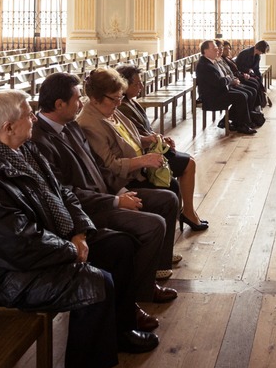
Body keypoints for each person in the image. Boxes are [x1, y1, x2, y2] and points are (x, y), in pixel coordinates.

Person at [0, 90, 154, 368]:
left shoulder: (23, 150)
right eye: (28, 114)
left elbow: (62, 193)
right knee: (94, 283)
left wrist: (79, 232)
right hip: (4, 275)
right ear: (8, 127)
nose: (34, 118)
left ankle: (120, 330)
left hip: (45, 246)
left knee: (119, 247)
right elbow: (17, 244)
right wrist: (71, 249)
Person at [30, 71, 179, 320]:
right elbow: (64, 192)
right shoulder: (41, 140)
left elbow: (97, 167)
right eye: (78, 99)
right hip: (85, 212)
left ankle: (143, 286)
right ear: (59, 104)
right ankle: (130, 300)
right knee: (152, 225)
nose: (81, 104)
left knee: (167, 199)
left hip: (102, 195)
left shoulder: (71, 127)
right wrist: (116, 201)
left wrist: (119, 191)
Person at [78, 68, 209, 239]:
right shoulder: (90, 123)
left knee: (173, 182)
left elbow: (128, 137)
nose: (119, 103)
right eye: (115, 98)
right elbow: (110, 165)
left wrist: (150, 140)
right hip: (124, 181)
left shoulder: (109, 107)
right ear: (95, 99)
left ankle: (166, 244)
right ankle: (162, 249)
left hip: (138, 170)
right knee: (169, 192)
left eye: (120, 97)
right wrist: (144, 160)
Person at [114, 62, 207, 228]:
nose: (141, 86)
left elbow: (144, 130)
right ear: (124, 85)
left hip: (152, 146)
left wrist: (161, 138)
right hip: (145, 154)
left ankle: (188, 212)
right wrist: (157, 140)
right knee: (188, 163)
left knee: (188, 161)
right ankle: (188, 213)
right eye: (137, 83)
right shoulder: (122, 106)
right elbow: (134, 136)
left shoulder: (130, 101)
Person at [195, 39, 259, 134]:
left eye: (217, 48)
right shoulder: (205, 65)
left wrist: (228, 79)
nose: (217, 50)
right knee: (241, 96)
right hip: (212, 97)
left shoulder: (210, 61)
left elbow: (221, 80)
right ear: (206, 51)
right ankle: (242, 125)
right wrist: (229, 78)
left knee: (245, 93)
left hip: (219, 91)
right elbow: (219, 82)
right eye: (214, 48)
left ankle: (239, 122)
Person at [234, 40, 270, 106]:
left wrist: (260, 78)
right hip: (241, 74)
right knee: (255, 84)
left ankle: (257, 104)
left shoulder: (257, 56)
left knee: (258, 82)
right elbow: (237, 67)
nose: (262, 53)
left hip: (249, 74)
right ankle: (256, 105)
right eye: (262, 52)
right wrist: (248, 70)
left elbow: (256, 69)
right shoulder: (245, 53)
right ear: (259, 48)